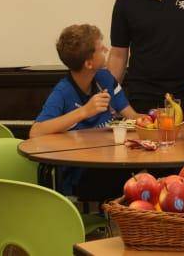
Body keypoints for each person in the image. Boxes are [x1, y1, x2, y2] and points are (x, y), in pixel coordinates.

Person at [30, 24, 140, 200]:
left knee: (152, 172)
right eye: (100, 48)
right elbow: (36, 131)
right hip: (81, 174)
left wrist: (156, 116)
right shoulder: (63, 92)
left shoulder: (105, 78)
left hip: (109, 162)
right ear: (89, 63)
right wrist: (84, 111)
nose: (106, 49)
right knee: (137, 180)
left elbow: (133, 117)